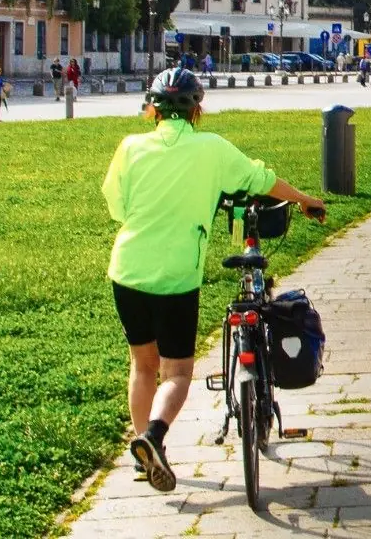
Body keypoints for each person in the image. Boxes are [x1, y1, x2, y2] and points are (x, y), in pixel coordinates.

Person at [102, 68, 326, 493]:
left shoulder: (129, 148)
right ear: (197, 110)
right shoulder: (211, 149)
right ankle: (154, 435)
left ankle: (142, 455)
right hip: (176, 276)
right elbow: (262, 180)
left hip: (127, 270)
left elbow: (117, 205)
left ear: (152, 110)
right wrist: (306, 199)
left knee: (142, 364)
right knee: (178, 373)